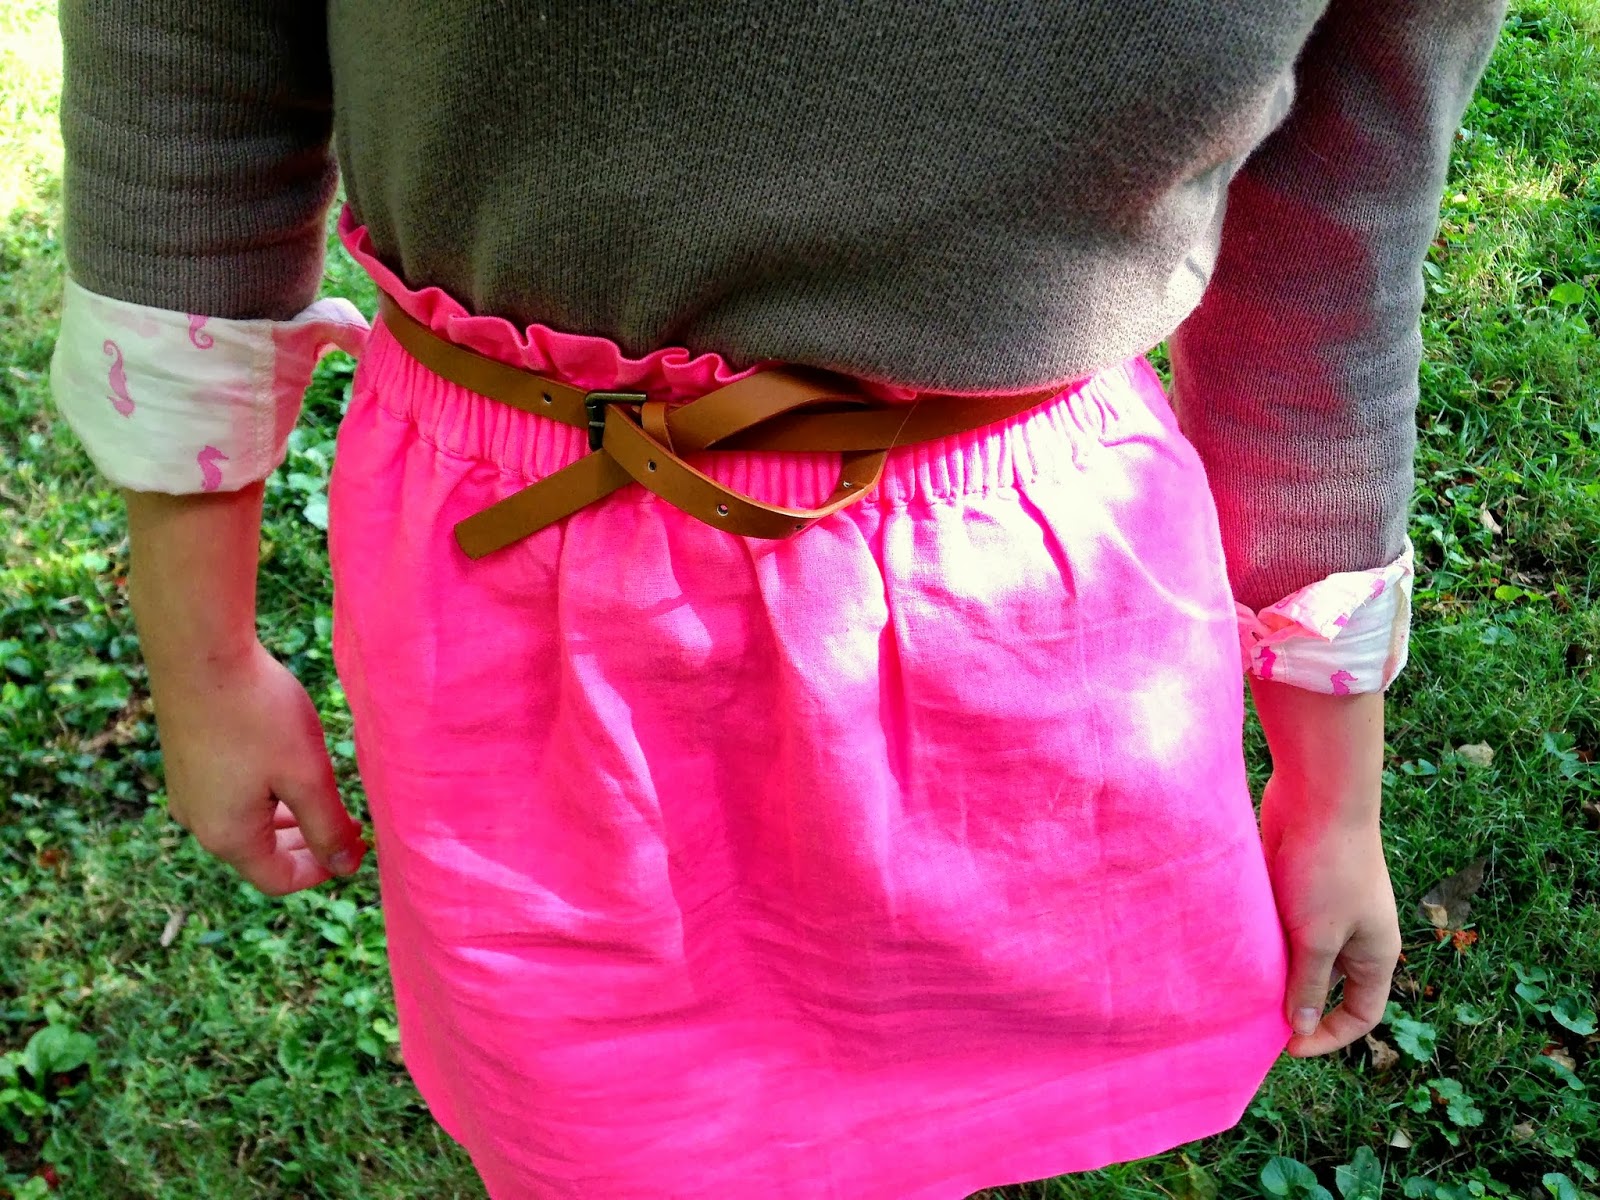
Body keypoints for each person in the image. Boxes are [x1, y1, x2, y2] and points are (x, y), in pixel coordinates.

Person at [48, 2, 1506, 1196]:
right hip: (530, 604)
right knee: (605, 1138)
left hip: (1021, 609)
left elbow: (1332, 241)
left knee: (932, 1128)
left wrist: (1334, 785)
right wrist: (203, 650)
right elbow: (189, 64)